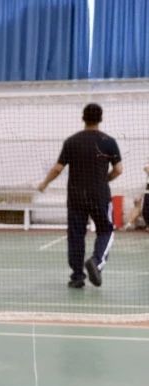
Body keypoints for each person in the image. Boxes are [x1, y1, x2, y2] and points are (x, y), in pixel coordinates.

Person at [38, 103, 123, 288]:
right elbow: (118, 170)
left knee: (76, 235)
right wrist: (105, 179)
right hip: (99, 195)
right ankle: (96, 262)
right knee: (106, 231)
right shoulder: (109, 141)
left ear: (83, 118)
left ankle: (77, 277)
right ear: (101, 119)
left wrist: (44, 183)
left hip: (75, 196)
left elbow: (57, 169)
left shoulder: (71, 141)